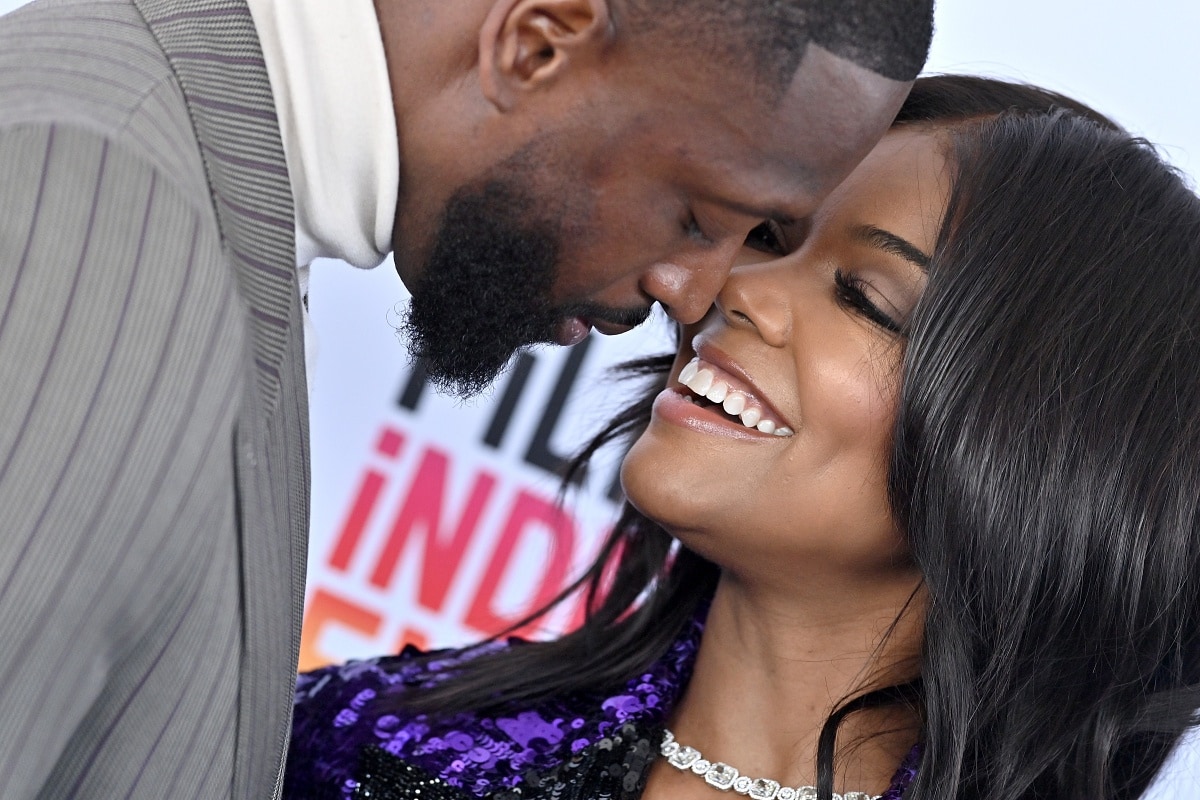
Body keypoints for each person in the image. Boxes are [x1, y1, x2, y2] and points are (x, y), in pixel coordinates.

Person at [0, 0, 934, 797]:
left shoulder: (192, 206)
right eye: (698, 213)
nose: (694, 297)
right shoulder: (90, 199)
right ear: (534, 45)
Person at [282, 75, 1200, 800]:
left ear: (1037, 459)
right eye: (767, 234)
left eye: (867, 299)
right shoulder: (360, 740)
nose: (734, 287)